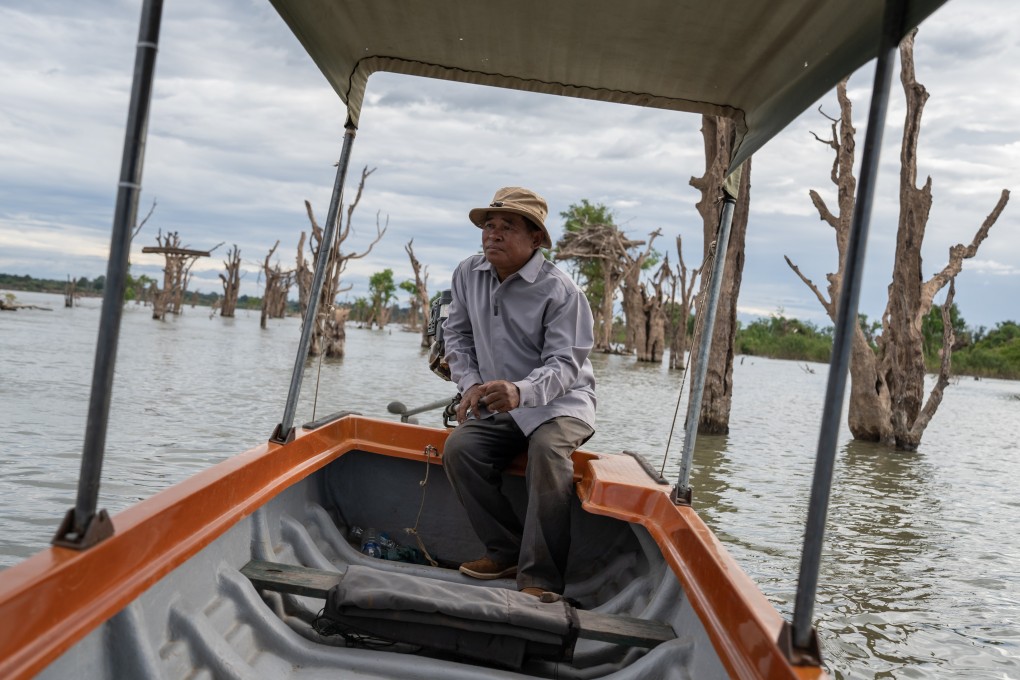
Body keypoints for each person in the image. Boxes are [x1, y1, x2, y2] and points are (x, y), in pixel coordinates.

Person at [442, 186, 597, 598]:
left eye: (506, 227)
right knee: (460, 449)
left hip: (561, 404)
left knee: (547, 454)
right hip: (500, 403)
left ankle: (540, 579)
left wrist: (520, 390)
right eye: (488, 226)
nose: (492, 234)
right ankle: (505, 550)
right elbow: (455, 335)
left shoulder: (562, 292)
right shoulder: (466, 274)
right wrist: (470, 384)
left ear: (536, 239)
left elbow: (566, 364)